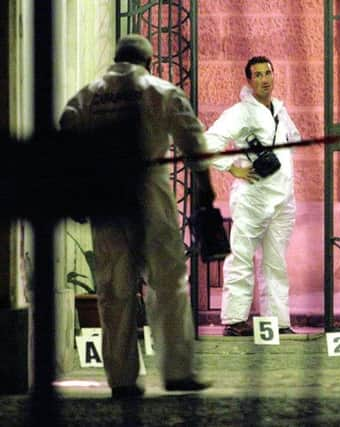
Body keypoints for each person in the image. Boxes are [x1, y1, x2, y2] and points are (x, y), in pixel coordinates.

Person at [59, 34, 214, 398]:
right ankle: (177, 373)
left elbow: (65, 140)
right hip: (151, 193)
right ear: (148, 61)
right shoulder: (160, 89)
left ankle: (123, 381)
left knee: (115, 291)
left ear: (116, 58)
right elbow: (193, 141)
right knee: (169, 284)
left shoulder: (90, 93)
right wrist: (205, 192)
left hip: (107, 194)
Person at [204, 56, 300, 336]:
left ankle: (278, 322)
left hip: (283, 197)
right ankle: (234, 320)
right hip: (253, 197)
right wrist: (232, 167)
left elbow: (292, 140)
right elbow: (209, 142)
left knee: (276, 261)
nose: (264, 79)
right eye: (257, 75)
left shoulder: (279, 110)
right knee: (242, 257)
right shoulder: (240, 112)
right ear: (249, 80)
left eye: (268, 73)